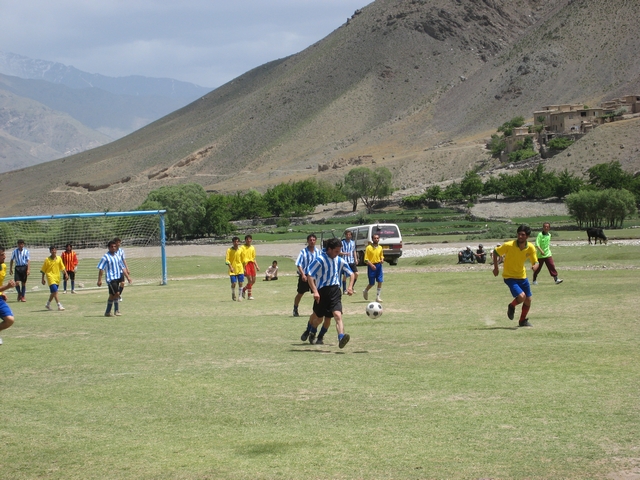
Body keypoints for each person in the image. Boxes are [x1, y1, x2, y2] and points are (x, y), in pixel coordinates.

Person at [300, 238, 354, 348]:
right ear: (329, 249)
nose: (338, 253)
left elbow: (351, 274)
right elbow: (310, 275)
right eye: (336, 251)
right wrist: (315, 291)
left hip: (335, 291)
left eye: (339, 251)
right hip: (322, 292)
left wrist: (350, 287)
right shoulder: (320, 260)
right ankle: (311, 331)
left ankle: (341, 338)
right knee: (318, 318)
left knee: (337, 315)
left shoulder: (340, 260)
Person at [492, 225, 540, 327]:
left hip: (522, 276)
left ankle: (522, 321)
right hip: (509, 277)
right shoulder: (509, 245)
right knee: (522, 297)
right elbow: (495, 252)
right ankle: (511, 306)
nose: (520, 236)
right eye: (519, 234)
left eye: (523, 235)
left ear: (527, 236)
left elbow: (535, 262)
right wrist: (496, 268)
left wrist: (535, 266)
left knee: (528, 299)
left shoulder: (530, 247)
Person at [97, 240, 131, 316]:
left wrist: (128, 277)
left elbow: (123, 267)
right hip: (111, 278)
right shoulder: (105, 257)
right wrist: (99, 280)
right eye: (111, 246)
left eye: (115, 246)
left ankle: (107, 312)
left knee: (112, 295)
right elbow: (101, 269)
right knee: (117, 293)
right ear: (108, 248)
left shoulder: (117, 256)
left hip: (118, 276)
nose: (113, 248)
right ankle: (116, 311)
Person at [292, 234, 320, 317]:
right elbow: (298, 264)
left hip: (315, 276)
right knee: (300, 293)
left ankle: (317, 310)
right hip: (305, 275)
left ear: (316, 241)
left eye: (313, 240)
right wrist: (303, 274)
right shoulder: (303, 252)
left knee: (317, 293)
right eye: (310, 240)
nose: (312, 242)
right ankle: (295, 308)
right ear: (307, 241)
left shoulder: (318, 252)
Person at [41, 246, 68, 311]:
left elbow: (62, 267)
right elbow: (43, 270)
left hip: (57, 277)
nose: (54, 251)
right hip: (50, 277)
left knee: (53, 293)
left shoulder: (59, 258)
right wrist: (42, 278)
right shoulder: (47, 260)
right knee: (55, 291)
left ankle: (48, 304)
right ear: (50, 251)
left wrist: (66, 274)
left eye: (55, 250)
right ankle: (59, 305)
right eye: (52, 250)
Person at [0, 246, 17, 345]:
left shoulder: (3, 267)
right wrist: (7, 287)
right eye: (2, 255)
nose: (5, 257)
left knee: (9, 320)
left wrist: (3, 292)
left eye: (4, 254)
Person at [363, 233, 384, 302]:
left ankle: (378, 296)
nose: (376, 239)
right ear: (372, 239)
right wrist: (371, 265)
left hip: (378, 266)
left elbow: (381, 256)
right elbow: (365, 259)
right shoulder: (368, 248)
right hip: (371, 266)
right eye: (375, 238)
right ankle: (365, 290)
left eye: (377, 238)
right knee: (372, 283)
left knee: (380, 281)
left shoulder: (380, 247)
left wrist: (382, 260)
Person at [240, 235, 260, 300]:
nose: (249, 240)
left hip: (251, 264)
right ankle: (249, 295)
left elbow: (254, 258)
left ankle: (244, 289)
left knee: (253, 281)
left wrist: (256, 266)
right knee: (250, 280)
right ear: (245, 240)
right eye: (247, 239)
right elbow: (240, 257)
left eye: (250, 239)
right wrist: (242, 267)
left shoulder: (252, 248)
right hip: (246, 264)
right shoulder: (242, 248)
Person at [225, 236, 244, 302]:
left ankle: (240, 296)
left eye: (237, 241)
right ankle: (233, 293)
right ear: (232, 242)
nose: (236, 243)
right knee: (234, 283)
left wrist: (244, 268)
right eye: (234, 242)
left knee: (241, 282)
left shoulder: (241, 250)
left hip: (240, 268)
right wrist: (230, 267)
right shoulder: (229, 250)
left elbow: (243, 260)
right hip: (232, 269)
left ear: (239, 242)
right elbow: (227, 260)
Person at [340, 230, 358, 295]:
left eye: (349, 235)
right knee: (345, 275)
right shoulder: (342, 242)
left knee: (356, 274)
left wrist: (356, 259)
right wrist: (345, 253)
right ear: (345, 235)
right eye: (347, 234)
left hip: (351, 261)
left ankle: (351, 287)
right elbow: (339, 252)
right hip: (345, 261)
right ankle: (344, 289)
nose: (348, 236)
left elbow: (354, 251)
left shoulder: (353, 242)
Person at [113, 237, 131, 302]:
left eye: (119, 242)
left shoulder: (121, 251)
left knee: (122, 283)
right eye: (117, 242)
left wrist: (127, 268)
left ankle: (118, 295)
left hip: (121, 270)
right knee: (116, 285)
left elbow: (124, 260)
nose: (118, 243)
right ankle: (117, 296)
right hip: (115, 270)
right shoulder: (112, 251)